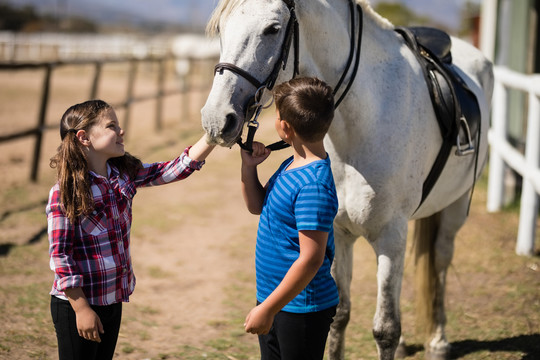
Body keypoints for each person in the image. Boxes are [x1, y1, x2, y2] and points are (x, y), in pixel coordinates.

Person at [46, 99, 215, 360]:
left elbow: (173, 169)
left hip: (113, 299)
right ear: (84, 137)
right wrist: (81, 309)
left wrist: (213, 136)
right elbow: (60, 256)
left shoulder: (123, 174)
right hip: (77, 304)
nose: (121, 131)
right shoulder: (64, 192)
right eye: (112, 125)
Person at [240, 77, 339, 360]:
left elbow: (311, 258)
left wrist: (268, 309)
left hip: (302, 307)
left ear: (285, 128)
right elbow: (257, 206)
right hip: (278, 297)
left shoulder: (313, 186)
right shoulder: (292, 164)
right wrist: (248, 169)